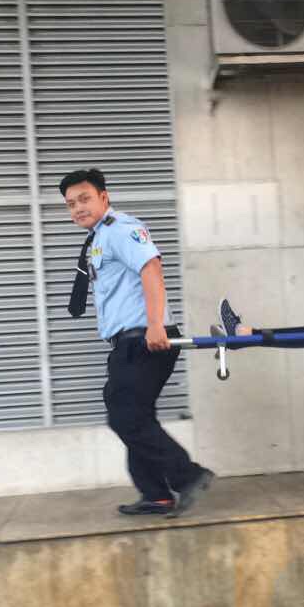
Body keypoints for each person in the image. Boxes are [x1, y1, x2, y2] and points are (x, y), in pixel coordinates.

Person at [61, 168, 214, 517]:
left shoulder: (120, 229)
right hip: (128, 342)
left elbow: (151, 268)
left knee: (126, 416)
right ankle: (155, 495)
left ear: (104, 197)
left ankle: (188, 476)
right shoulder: (99, 238)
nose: (78, 208)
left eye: (84, 199)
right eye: (71, 204)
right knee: (131, 414)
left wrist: (156, 325)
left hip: (145, 338)